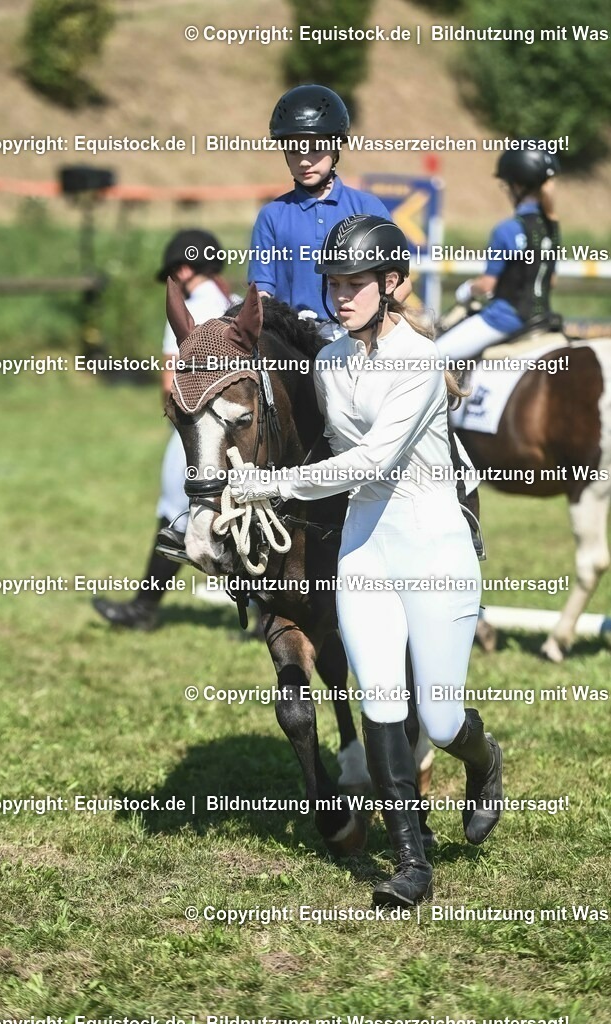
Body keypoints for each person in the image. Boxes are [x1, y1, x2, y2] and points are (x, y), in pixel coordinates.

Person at [230, 216, 503, 907]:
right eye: (333, 283)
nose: (340, 294)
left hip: (433, 542)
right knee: (379, 699)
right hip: (363, 549)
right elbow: (320, 451)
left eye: (354, 283)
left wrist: (272, 484)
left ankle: (484, 760)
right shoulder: (328, 363)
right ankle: (410, 864)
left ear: (392, 285)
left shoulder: (418, 360)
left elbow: (372, 459)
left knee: (439, 723)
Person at [92, 229, 236, 629]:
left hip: (195, 428)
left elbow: (170, 379)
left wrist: (174, 419)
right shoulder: (235, 305)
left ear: (185, 269)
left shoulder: (185, 309)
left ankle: (143, 609)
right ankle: (265, 613)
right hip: (239, 429)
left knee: (174, 510)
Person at [248, 84, 411, 320]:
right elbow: (261, 294)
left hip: (355, 336)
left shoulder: (368, 208)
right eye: (294, 151)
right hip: (293, 341)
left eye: (315, 149)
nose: (304, 161)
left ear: (335, 149)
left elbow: (401, 285)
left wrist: (360, 324)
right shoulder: (271, 216)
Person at [435, 149, 560, 364]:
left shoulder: (507, 229)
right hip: (542, 317)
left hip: (504, 318)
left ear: (517, 186)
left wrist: (466, 291)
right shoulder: (551, 227)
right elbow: (552, 281)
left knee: (432, 356)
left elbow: (486, 285)